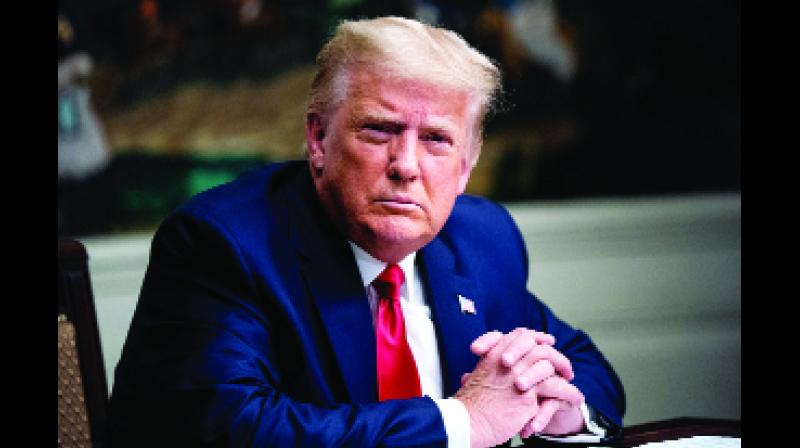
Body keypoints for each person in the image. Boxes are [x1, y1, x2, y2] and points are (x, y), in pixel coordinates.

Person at [106, 16, 624, 447]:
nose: (406, 165)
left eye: (436, 139)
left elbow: (583, 366)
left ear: (466, 165)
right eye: (379, 130)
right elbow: (232, 428)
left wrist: (558, 411)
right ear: (318, 139)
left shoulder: (482, 239)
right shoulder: (223, 243)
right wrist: (463, 421)